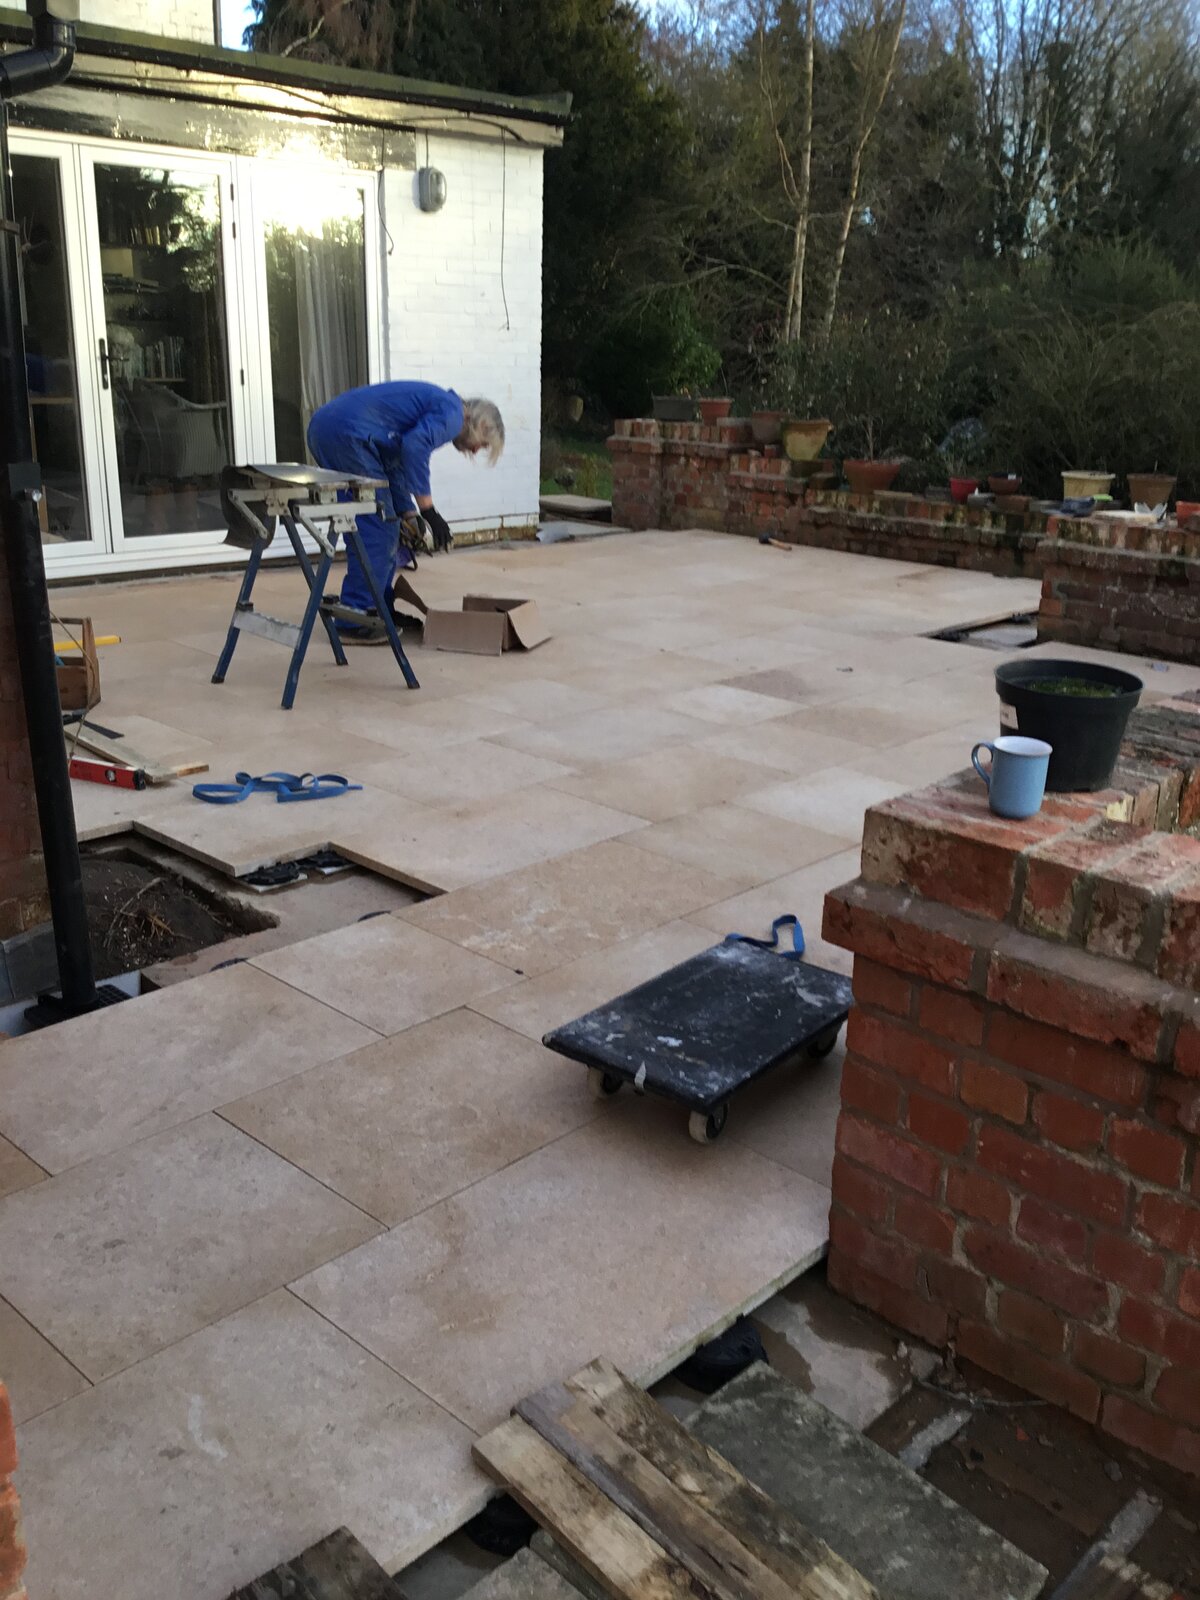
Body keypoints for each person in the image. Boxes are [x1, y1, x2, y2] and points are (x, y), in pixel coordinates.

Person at [306, 381, 505, 642]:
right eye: (483, 444)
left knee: (382, 523)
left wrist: (409, 514)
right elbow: (415, 446)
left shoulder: (440, 405)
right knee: (379, 528)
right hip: (347, 434)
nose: (476, 450)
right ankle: (355, 619)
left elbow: (395, 464)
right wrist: (429, 511)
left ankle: (377, 609)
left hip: (333, 429)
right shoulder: (454, 413)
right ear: (482, 425)